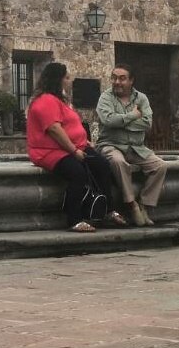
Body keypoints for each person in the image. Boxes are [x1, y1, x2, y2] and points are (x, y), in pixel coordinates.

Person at [25, 62, 126, 232]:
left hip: (72, 146)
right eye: (66, 77)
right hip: (51, 151)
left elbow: (68, 125)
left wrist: (84, 143)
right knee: (77, 173)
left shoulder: (58, 100)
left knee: (102, 166)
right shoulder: (45, 100)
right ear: (57, 80)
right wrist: (74, 150)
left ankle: (108, 209)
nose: (69, 80)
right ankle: (74, 218)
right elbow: (55, 130)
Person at [95, 64, 167, 227]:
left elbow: (147, 123)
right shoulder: (105, 98)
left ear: (131, 81)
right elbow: (107, 120)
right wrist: (133, 115)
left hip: (136, 147)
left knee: (160, 166)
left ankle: (144, 204)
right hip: (111, 144)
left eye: (122, 78)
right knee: (118, 162)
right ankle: (131, 204)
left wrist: (121, 121)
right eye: (114, 78)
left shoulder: (141, 98)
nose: (117, 82)